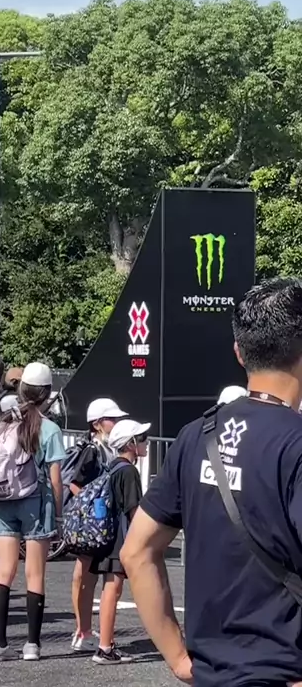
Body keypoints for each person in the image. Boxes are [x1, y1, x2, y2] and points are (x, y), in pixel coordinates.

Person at [121, 277, 302, 687]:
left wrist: (177, 657)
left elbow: (137, 552)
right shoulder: (295, 444)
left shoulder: (196, 436)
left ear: (239, 351)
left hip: (210, 673)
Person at [0, 362, 65, 663]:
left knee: (3, 572)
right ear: (47, 393)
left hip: (5, 500)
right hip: (37, 502)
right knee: (35, 574)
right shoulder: (50, 429)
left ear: (21, 390)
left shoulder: (6, 421)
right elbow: (55, 479)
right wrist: (58, 514)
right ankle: (32, 644)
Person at [69, 398, 128, 651]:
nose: (116, 423)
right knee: (84, 576)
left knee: (91, 576)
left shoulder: (111, 448)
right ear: (97, 424)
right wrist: (92, 508)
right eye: (111, 419)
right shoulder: (92, 450)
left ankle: (89, 632)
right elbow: (75, 484)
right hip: (94, 524)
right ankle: (82, 630)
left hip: (105, 524)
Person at [89, 418, 149, 665]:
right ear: (131, 443)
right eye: (142, 438)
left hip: (106, 535)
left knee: (109, 590)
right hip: (121, 540)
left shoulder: (112, 467)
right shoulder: (129, 472)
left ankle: (106, 644)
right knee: (113, 591)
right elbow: (134, 512)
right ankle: (105, 647)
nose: (146, 442)